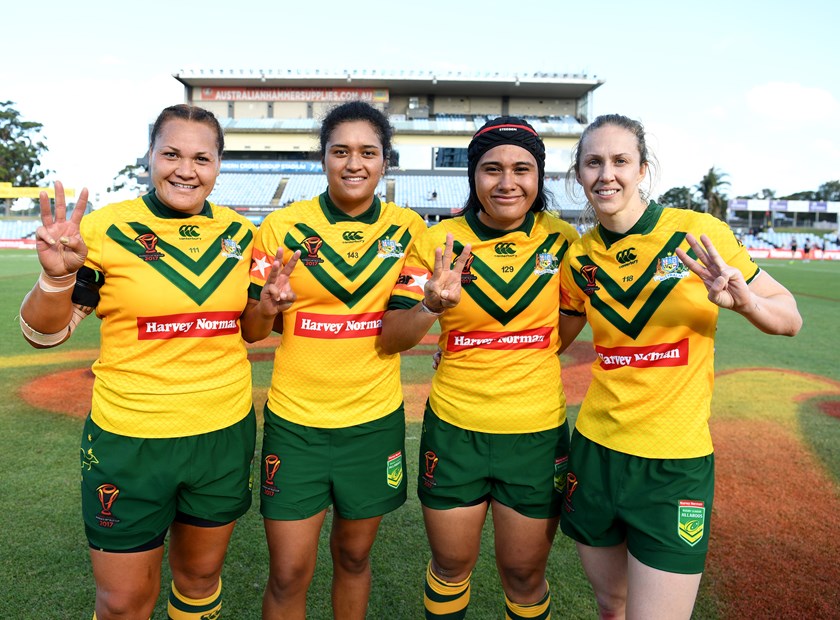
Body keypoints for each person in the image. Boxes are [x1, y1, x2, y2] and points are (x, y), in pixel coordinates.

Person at [19, 104, 297, 620]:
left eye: (201, 158)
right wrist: (56, 278)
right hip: (131, 439)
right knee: (124, 603)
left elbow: (249, 331)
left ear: (218, 166)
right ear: (149, 157)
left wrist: (265, 309)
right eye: (171, 154)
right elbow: (44, 335)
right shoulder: (105, 230)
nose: (185, 170)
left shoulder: (241, 235)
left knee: (198, 583)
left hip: (221, 433)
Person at [558, 114, 802, 619]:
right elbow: (555, 337)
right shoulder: (579, 258)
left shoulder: (698, 233)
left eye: (620, 161)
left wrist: (745, 303)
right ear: (578, 174)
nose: (607, 174)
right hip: (596, 453)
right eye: (593, 163)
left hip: (675, 463)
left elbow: (790, 319)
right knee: (610, 605)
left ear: (643, 168)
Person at [380, 117, 580, 619]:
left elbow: (565, 329)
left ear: (539, 178)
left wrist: (517, 354)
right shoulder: (439, 240)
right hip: (455, 432)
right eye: (492, 169)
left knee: (525, 575)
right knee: (450, 567)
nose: (506, 182)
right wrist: (429, 307)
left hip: (535, 434)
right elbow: (391, 338)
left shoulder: (563, 240)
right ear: (473, 176)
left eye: (521, 169)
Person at [242, 100, 427, 619]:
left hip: (371, 425)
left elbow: (394, 338)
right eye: (340, 151)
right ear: (322, 158)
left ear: (385, 162)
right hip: (295, 425)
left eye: (368, 152)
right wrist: (266, 306)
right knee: (288, 572)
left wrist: (430, 306)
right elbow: (253, 333)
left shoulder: (408, 228)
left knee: (353, 556)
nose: (354, 163)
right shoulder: (279, 228)